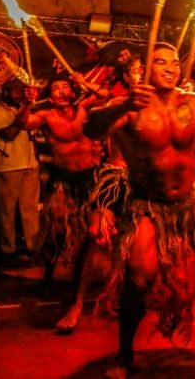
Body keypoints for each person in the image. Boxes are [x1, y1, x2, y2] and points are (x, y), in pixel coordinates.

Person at [84, 43, 195, 378]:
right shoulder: (129, 106)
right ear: (146, 68)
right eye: (161, 62)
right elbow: (91, 128)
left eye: (174, 62)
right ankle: (124, 354)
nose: (171, 68)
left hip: (190, 201)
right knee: (138, 279)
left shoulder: (194, 102)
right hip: (148, 206)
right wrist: (125, 105)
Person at [56, 58, 142, 332]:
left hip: (147, 182)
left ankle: (134, 296)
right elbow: (96, 119)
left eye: (144, 70)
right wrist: (86, 84)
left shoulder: (166, 103)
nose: (141, 74)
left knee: (148, 242)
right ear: (126, 77)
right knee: (95, 233)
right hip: (117, 177)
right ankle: (77, 303)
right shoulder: (118, 103)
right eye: (135, 71)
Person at [22, 74, 104, 288]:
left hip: (89, 178)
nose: (60, 91)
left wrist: (83, 82)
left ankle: (84, 278)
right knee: (56, 231)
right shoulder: (46, 115)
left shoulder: (84, 108)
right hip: (62, 180)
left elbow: (105, 94)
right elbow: (24, 124)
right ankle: (48, 277)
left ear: (73, 92)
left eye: (65, 87)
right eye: (55, 88)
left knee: (92, 230)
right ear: (50, 96)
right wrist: (27, 103)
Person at [0, 78, 40, 261]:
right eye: (16, 91)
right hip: (7, 167)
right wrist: (27, 107)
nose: (21, 94)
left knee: (30, 210)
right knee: (7, 212)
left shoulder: (21, 110)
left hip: (30, 166)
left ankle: (33, 248)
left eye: (23, 90)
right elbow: (10, 133)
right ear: (5, 92)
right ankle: (8, 251)